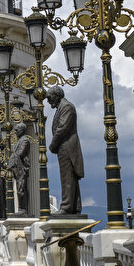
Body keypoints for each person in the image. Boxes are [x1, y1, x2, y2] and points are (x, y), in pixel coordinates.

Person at [47, 86, 84, 216]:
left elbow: (62, 128)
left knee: (67, 177)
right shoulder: (62, 107)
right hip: (65, 146)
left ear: (57, 95)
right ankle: (75, 207)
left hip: (67, 147)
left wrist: (53, 144)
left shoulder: (66, 107)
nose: (47, 101)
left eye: (49, 97)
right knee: (70, 177)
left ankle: (67, 207)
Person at [8, 122, 33, 216]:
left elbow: (20, 153)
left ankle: (23, 209)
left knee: (21, 188)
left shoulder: (25, 140)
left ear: (22, 130)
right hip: (18, 167)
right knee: (20, 188)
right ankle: (21, 209)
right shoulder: (20, 140)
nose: (15, 132)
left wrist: (12, 159)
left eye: (16, 130)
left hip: (21, 168)